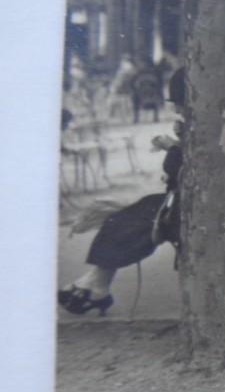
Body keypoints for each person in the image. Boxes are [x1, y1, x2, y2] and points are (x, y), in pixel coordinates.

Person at [58, 68, 186, 316]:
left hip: (184, 203)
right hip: (178, 199)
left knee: (132, 222)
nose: (177, 110)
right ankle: (96, 284)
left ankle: (95, 286)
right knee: (124, 219)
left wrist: (173, 147)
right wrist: (177, 145)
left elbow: (183, 166)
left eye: (180, 103)